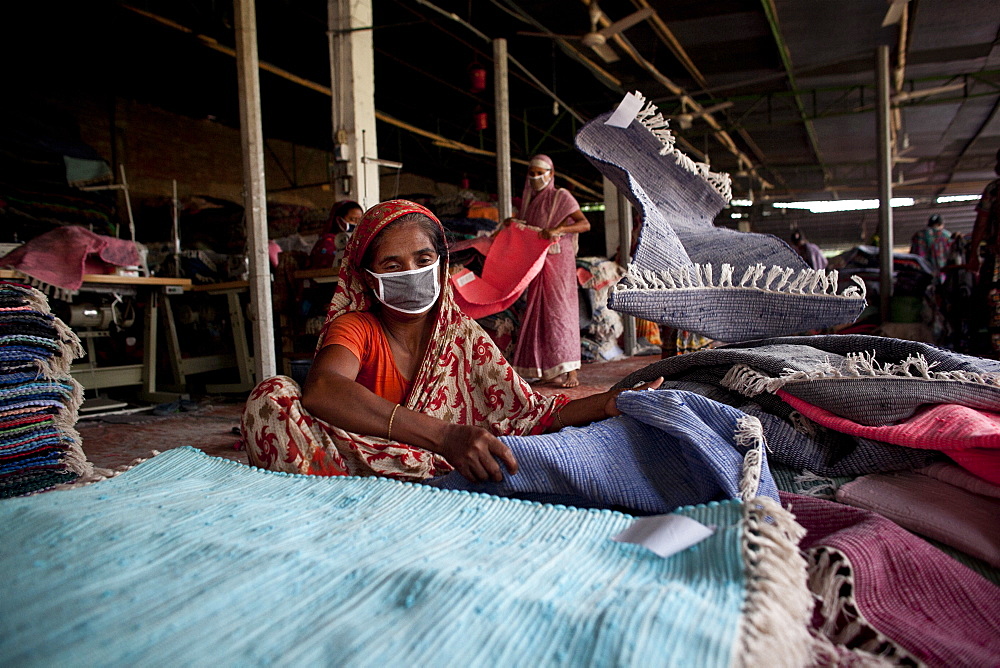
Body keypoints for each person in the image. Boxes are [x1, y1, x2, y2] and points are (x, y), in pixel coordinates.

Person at [241, 199, 661, 483]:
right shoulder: (357, 327)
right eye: (393, 264)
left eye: (423, 260)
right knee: (272, 397)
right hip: (371, 461)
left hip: (431, 467)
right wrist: (445, 437)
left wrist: (608, 401)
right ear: (369, 279)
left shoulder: (459, 336)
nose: (411, 273)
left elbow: (526, 413)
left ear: (442, 263)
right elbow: (324, 388)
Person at [507, 155, 591, 388]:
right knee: (540, 314)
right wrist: (511, 224)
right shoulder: (530, 203)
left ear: (551, 174)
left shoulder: (560, 196)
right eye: (531, 174)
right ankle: (548, 369)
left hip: (559, 261)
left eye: (539, 173)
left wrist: (559, 228)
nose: (535, 178)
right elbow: (527, 231)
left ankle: (572, 371)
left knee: (561, 312)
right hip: (539, 262)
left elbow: (584, 224)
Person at [968, 148, 1000, 357]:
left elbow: (981, 224)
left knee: (995, 306)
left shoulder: (994, 190)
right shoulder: (993, 190)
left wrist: (973, 255)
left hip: (996, 259)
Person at [309, 200, 363, 269]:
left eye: (360, 220)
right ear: (339, 220)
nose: (357, 223)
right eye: (352, 219)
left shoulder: (361, 240)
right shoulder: (327, 242)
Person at [910, 213, 952, 282]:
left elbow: (914, 255)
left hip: (923, 273)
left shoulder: (918, 235)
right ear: (941, 224)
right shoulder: (947, 236)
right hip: (943, 274)